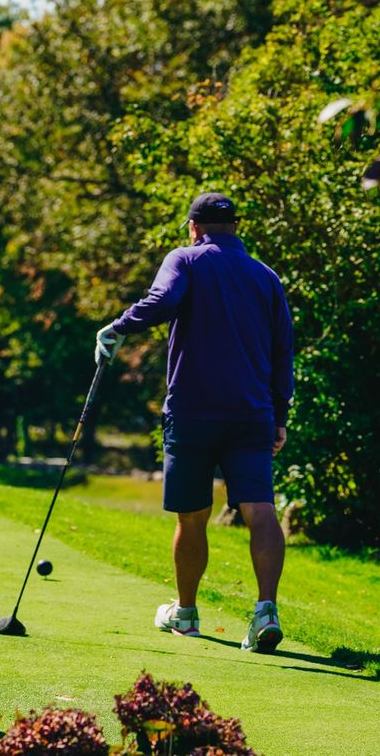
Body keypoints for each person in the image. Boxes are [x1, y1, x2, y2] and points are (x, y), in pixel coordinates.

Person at [95, 192, 294, 653]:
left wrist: (118, 327)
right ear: (236, 228)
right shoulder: (266, 277)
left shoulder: (184, 258)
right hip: (252, 413)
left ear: (194, 227)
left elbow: (162, 300)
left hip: (192, 410)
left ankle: (185, 612)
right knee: (259, 508)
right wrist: (279, 415)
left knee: (193, 515)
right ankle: (266, 610)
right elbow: (283, 352)